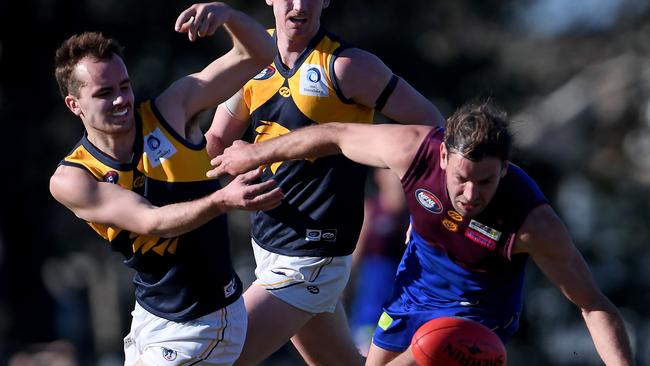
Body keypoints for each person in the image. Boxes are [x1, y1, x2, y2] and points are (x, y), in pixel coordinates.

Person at [207, 100, 635, 366]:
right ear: (444, 156)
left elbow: (593, 304)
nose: (471, 194)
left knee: (424, 356)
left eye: (487, 182)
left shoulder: (531, 222)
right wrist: (256, 152)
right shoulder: (412, 151)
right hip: (414, 290)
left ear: (505, 169)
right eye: (463, 178)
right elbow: (334, 136)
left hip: (476, 313)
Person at [204, 0, 445, 365]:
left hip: (312, 257)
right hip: (268, 247)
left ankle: (443, 341)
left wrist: (421, 214)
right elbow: (216, 142)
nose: (299, 5)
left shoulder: (348, 66)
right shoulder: (252, 60)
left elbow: (432, 131)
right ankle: (441, 346)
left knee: (218, 357)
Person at [49, 3, 284, 366]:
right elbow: (151, 221)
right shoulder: (73, 178)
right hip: (150, 320)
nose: (121, 99)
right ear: (73, 104)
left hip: (205, 320)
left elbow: (262, 54)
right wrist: (223, 200)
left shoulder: (172, 110)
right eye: (103, 92)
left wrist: (228, 16)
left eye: (124, 86)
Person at [347, 168, 410, 357]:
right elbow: (355, 254)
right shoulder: (370, 209)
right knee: (365, 352)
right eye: (391, 172)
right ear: (379, 176)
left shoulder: (413, 214)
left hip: (403, 299)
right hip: (370, 300)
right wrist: (343, 288)